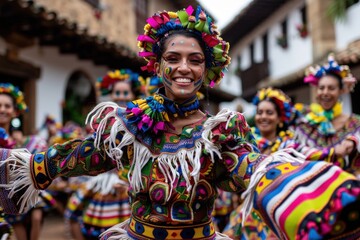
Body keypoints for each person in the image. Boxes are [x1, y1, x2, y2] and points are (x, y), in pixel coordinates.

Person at [0, 6, 359, 240]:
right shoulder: (128, 127)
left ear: (207, 70)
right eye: (173, 58)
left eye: (195, 60)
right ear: (157, 66)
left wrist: (311, 192)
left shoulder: (219, 133)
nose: (184, 68)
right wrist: (29, 169)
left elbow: (247, 169)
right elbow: (86, 155)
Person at [64, 69, 141, 239]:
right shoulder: (103, 119)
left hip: (132, 181)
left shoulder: (141, 120)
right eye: (117, 92)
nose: (121, 96)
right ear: (111, 94)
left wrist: (127, 181)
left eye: (125, 92)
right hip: (104, 178)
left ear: (133, 94)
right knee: (75, 213)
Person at [296, 54, 360, 174]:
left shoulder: (355, 124)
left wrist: (353, 141)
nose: (325, 92)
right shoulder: (305, 123)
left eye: (331, 88)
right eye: (321, 88)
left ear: (341, 91)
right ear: (316, 91)